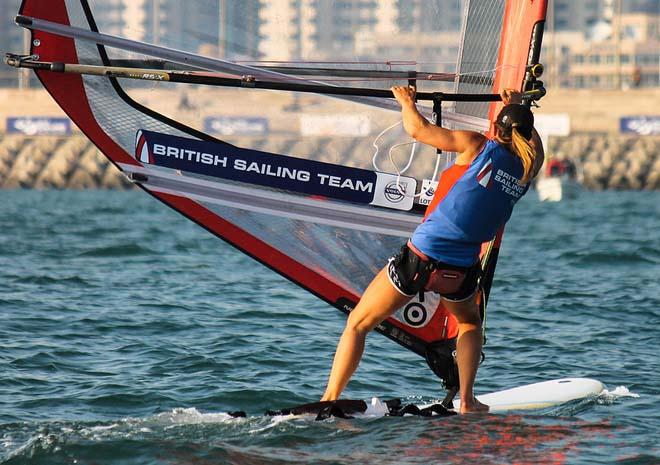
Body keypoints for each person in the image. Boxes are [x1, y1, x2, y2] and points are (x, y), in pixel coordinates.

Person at [320, 87, 545, 414]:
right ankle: (467, 400)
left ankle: (329, 400)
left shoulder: (477, 146)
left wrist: (406, 102)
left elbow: (417, 130)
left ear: (496, 129)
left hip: (421, 258)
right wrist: (518, 108)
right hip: (462, 270)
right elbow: (533, 145)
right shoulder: (528, 170)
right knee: (469, 324)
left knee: (358, 322)